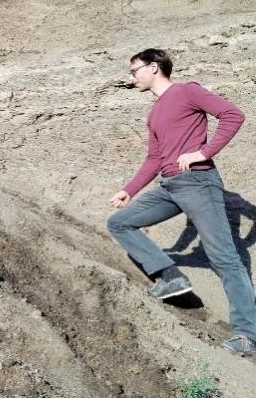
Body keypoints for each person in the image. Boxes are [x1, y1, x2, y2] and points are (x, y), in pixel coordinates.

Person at [107, 48, 256, 355]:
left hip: (198, 183)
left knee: (225, 258)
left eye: (134, 71)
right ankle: (170, 276)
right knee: (120, 223)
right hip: (170, 185)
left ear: (154, 67)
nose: (131, 78)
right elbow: (154, 158)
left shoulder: (187, 91)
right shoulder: (154, 113)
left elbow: (233, 115)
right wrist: (129, 190)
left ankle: (247, 335)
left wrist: (203, 153)